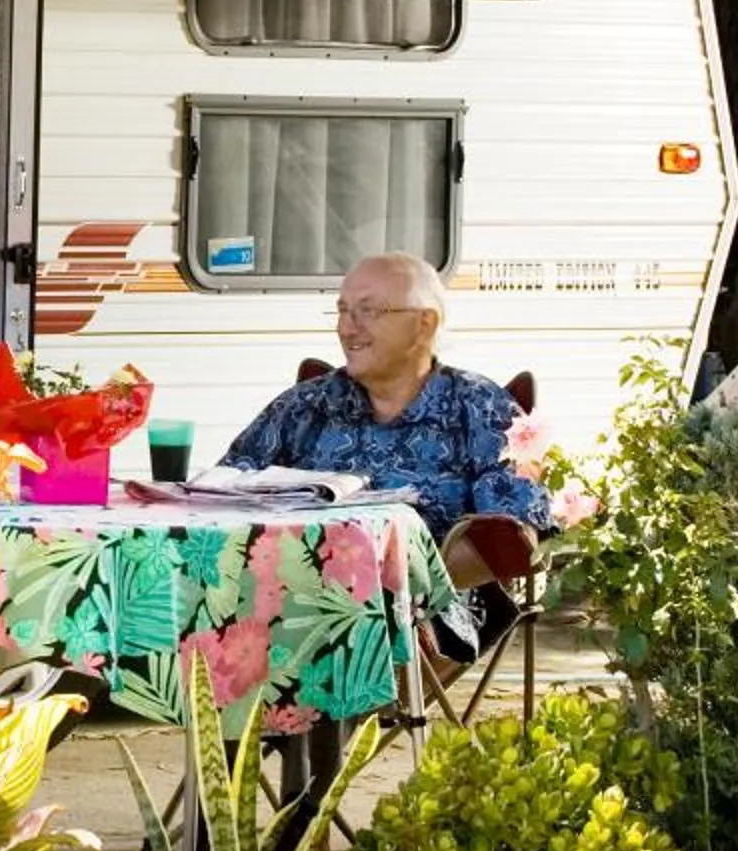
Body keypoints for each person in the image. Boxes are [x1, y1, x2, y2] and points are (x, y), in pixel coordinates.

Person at [217, 250, 550, 660]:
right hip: (286, 594)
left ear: (424, 323)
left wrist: (398, 585)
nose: (345, 328)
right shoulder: (307, 405)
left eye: (366, 311)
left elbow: (513, 532)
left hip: (423, 611)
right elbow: (227, 484)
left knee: (325, 628)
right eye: (341, 311)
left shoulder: (479, 408)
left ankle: (294, 717)